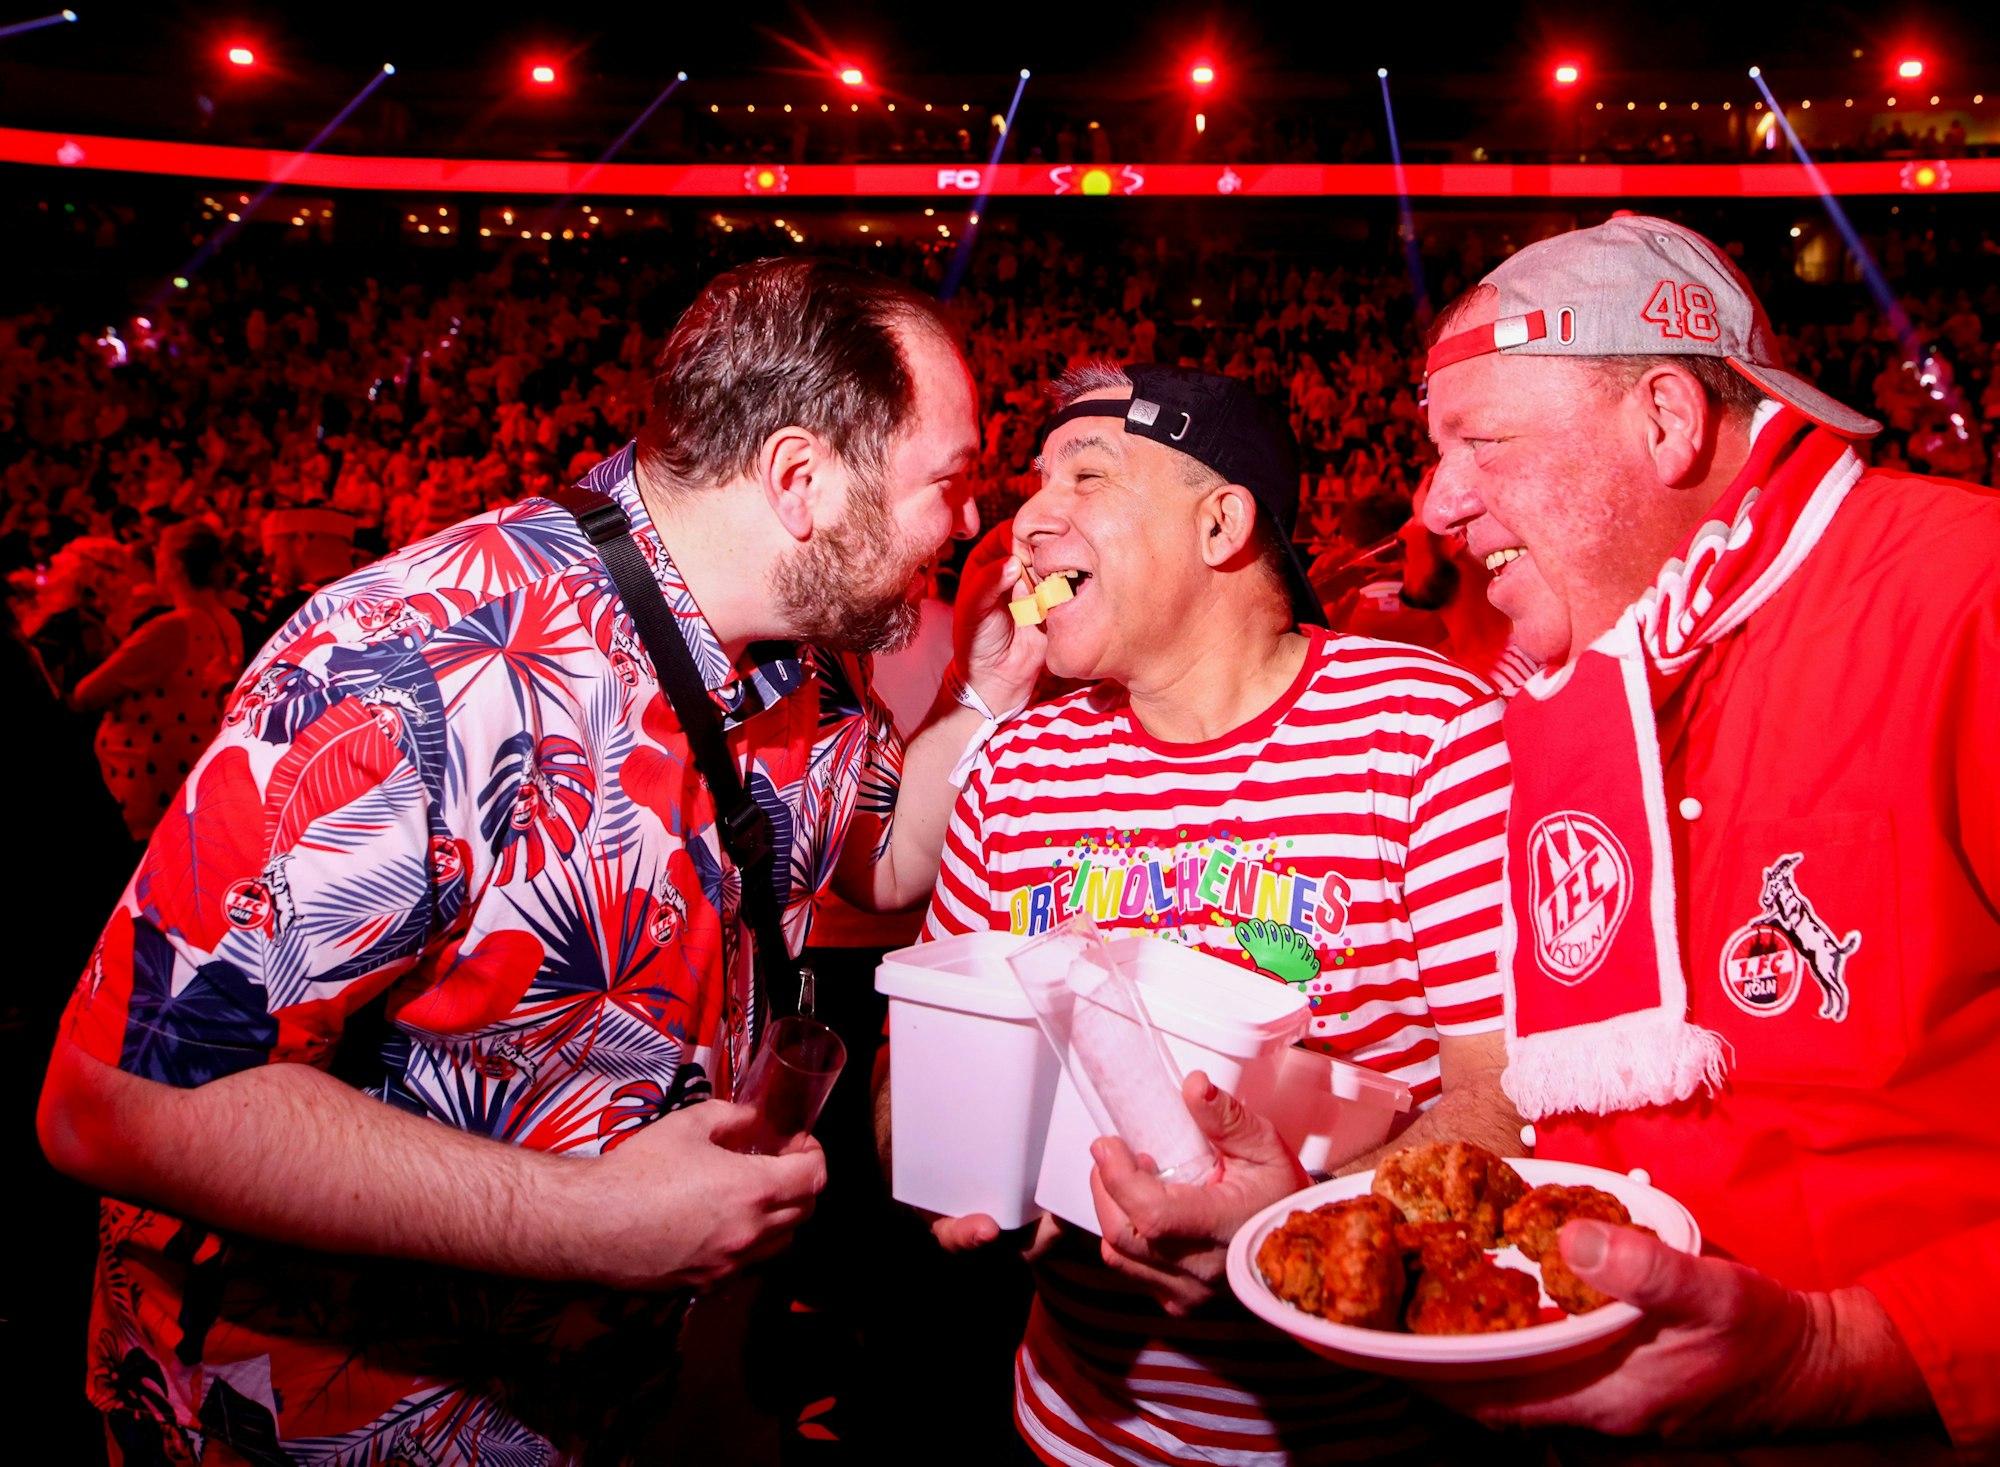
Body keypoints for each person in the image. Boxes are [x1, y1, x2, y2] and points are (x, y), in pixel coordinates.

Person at [36, 257, 1042, 1464]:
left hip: (589, 1400)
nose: (972, 522)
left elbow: (872, 862)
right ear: (798, 479)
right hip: (331, 1426)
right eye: (951, 481)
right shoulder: (416, 663)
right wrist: (592, 1220)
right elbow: (114, 1107)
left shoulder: (811, 668)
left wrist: (984, 688)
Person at [1150, 215, 1997, 1459]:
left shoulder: (1963, 596)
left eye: (1480, 442)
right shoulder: (1545, 687)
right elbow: (1536, 1131)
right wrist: (1328, 1216)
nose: (1435, 503)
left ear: (1665, 419)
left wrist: (1839, 1351)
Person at [907, 361, 1521, 1465]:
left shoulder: (1425, 733)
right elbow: (908, 1066)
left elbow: (1510, 1096)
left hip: (1370, 1439)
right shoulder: (1019, 766)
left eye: (1081, 479)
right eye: (1029, 485)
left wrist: (1283, 1233)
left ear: (1220, 521)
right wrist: (965, 1156)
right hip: (1073, 1431)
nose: (1022, 523)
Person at [72, 519, 245, 843]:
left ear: (175, 564)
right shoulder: (227, 620)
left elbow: (86, 693)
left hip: (152, 793)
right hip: (195, 782)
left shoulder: (172, 627)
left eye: (158, 553)